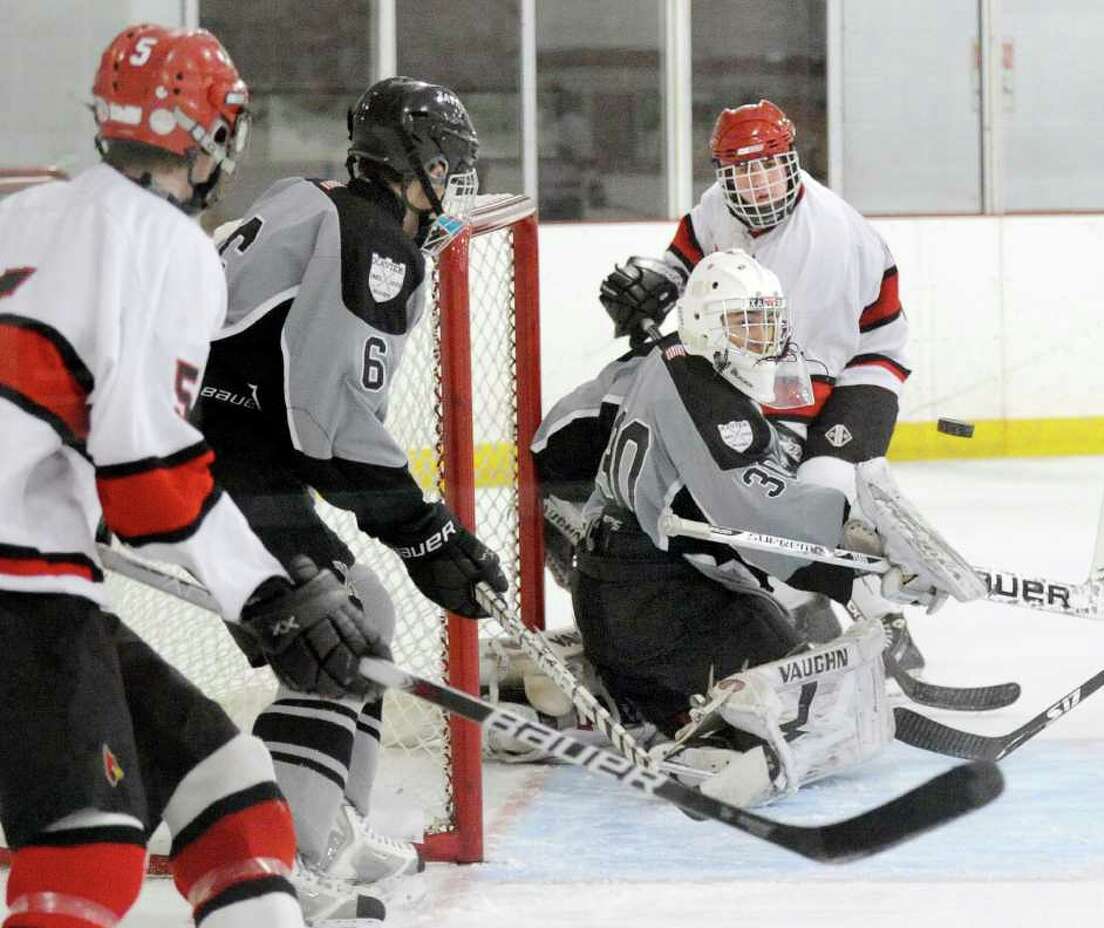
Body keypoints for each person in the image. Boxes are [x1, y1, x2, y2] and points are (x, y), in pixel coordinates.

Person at [0, 24, 390, 928]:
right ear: (214, 136)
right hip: (20, 592)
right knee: (89, 854)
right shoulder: (170, 248)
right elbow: (145, 477)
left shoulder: (25, 215)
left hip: (38, 586)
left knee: (234, 794)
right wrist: (269, 592)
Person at [193, 77, 508, 920]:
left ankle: (328, 829)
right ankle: (281, 861)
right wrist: (428, 533)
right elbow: (327, 424)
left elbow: (300, 409)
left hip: (210, 448)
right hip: (200, 463)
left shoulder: (312, 201)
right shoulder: (375, 242)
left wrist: (417, 533)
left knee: (358, 613)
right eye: (448, 167)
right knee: (331, 624)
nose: (455, 187)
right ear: (413, 165)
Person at [540, 97, 923, 673]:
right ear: (723, 174)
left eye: (769, 165)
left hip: (856, 372)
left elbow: (798, 376)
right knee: (587, 424)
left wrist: (742, 438)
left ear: (791, 162)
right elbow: (683, 261)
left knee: (816, 488)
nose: (758, 182)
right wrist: (652, 281)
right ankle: (774, 599)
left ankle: (882, 626)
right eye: (743, 169)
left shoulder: (828, 242)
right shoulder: (720, 208)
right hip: (751, 358)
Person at [570, 250, 957, 807]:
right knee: (803, 689)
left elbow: (718, 518)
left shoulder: (677, 358)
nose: (761, 339)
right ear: (705, 322)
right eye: (744, 324)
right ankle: (705, 742)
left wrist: (852, 567)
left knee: (785, 650)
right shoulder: (704, 395)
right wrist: (861, 550)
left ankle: (645, 701)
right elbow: (753, 510)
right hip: (648, 602)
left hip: (629, 586)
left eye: (766, 322)